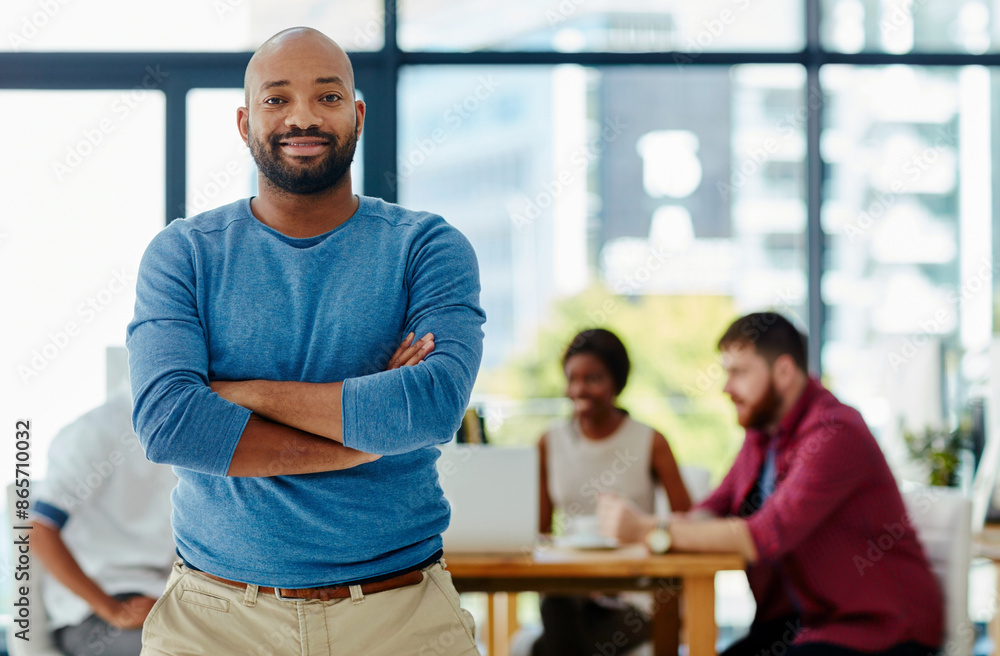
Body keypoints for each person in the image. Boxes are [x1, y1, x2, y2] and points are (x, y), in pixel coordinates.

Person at [126, 26, 485, 655]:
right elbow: (170, 425)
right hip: (216, 623)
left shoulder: (426, 247)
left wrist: (242, 393)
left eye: (327, 97)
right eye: (276, 100)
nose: (303, 118)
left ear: (358, 114)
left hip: (398, 618)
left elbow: (426, 407)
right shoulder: (183, 254)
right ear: (244, 122)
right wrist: (358, 444)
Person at [598, 313, 943, 656]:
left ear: (784, 371)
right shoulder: (762, 435)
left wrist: (649, 530)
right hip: (802, 624)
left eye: (739, 372)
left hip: (879, 628)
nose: (726, 388)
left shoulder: (835, 433)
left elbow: (766, 536)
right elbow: (713, 507)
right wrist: (679, 526)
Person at [532, 328, 692, 656]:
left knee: (548, 649)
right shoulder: (550, 443)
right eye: (572, 378)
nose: (579, 389)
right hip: (571, 591)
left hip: (634, 597)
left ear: (617, 383)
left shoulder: (651, 441)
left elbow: (688, 523)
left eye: (593, 378)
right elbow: (541, 534)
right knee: (555, 603)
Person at [30, 391, 176, 656]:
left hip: (164, 599)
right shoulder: (96, 430)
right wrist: (113, 611)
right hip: (95, 613)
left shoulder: (194, 433)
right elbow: (39, 530)